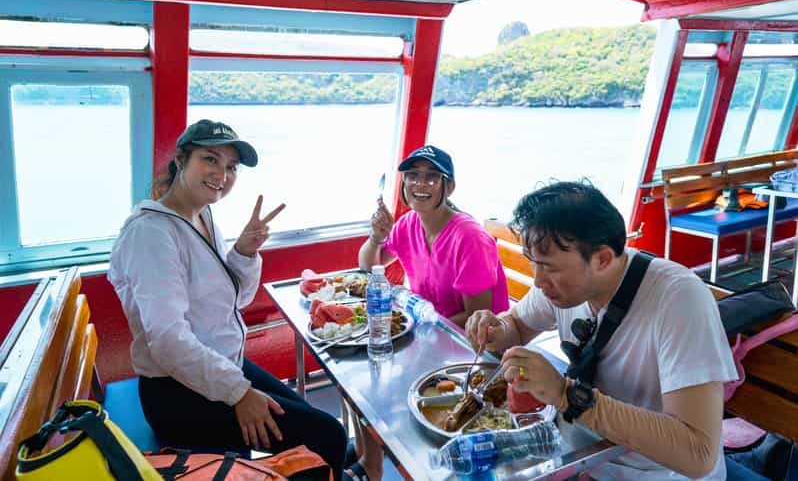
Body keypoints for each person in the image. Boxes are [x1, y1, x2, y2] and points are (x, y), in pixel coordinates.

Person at [108, 119, 379, 481]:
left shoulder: (200, 214)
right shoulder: (152, 234)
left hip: (219, 365)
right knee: (325, 434)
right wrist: (239, 393)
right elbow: (168, 341)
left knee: (313, 420)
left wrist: (243, 251)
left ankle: (328, 465)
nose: (222, 174)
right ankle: (326, 464)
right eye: (210, 159)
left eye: (231, 167)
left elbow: (233, 299)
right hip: (176, 392)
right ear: (180, 159)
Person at [465, 181, 738, 480]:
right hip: (582, 455)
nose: (539, 281)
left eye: (549, 268)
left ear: (603, 259)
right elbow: (516, 325)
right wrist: (495, 329)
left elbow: (697, 453)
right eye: (533, 264)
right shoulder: (564, 285)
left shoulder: (678, 299)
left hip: (653, 472)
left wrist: (565, 394)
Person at [359, 145, 509, 327]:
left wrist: (417, 328)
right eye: (412, 175)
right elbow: (368, 268)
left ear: (450, 187)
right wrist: (376, 237)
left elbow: (476, 318)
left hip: (474, 342)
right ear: (403, 183)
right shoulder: (408, 224)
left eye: (432, 177)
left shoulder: (470, 239)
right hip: (430, 326)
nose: (420, 183)